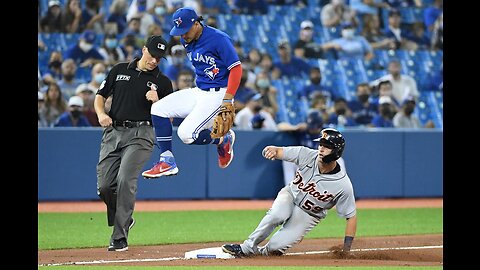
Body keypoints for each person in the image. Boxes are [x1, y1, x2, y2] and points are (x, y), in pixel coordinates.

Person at [222, 128, 357, 257]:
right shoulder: (307, 154)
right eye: (321, 144)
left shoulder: (343, 185)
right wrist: (271, 150)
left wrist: (346, 249)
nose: (321, 149)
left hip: (309, 214)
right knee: (276, 215)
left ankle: (263, 254)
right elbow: (279, 151)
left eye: (326, 146)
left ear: (336, 151)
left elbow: (351, 217)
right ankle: (247, 248)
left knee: (275, 248)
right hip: (290, 195)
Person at [141, 7, 242, 178]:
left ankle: (223, 140)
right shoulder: (185, 40)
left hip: (219, 94)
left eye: (185, 30)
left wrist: (228, 98)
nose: (183, 35)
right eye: (179, 31)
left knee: (186, 134)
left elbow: (236, 69)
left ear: (196, 24)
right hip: (200, 90)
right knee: (158, 109)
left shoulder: (219, 39)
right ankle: (167, 160)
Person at [94, 35, 172, 251]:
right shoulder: (119, 70)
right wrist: (101, 114)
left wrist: (158, 103)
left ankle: (119, 236)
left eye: (159, 58)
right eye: (152, 55)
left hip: (142, 133)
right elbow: (100, 95)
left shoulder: (163, 82)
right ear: (144, 49)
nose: (155, 60)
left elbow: (169, 118)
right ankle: (126, 218)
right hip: (113, 132)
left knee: (125, 179)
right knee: (104, 187)